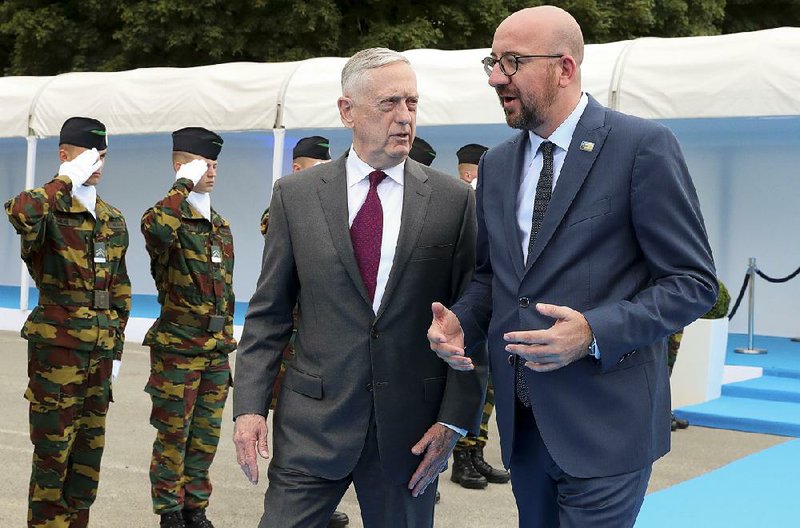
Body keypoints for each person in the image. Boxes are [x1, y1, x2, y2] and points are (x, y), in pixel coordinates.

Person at [428, 6, 718, 527]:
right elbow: (494, 277)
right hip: (526, 429)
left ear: (565, 68)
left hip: (608, 428)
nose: (497, 77)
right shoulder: (497, 164)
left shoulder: (641, 147)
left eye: (513, 62)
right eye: (492, 61)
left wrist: (593, 331)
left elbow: (692, 283)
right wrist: (462, 322)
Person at [232, 47, 485, 528]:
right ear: (347, 110)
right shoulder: (296, 196)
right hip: (313, 425)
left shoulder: (452, 201)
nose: (405, 118)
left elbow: (473, 313)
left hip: (411, 432)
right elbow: (269, 313)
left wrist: (454, 420)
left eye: (411, 104)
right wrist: (249, 407)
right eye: (389, 104)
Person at [5, 117, 131, 527]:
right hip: (57, 356)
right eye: (90, 154)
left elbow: (120, 291)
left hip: (98, 356)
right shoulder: (47, 209)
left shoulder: (112, 219)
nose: (97, 163)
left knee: (86, 463)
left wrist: (117, 350)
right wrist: (64, 180)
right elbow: (20, 214)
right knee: (52, 462)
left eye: (103, 156)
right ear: (65, 155)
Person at [141, 127, 235, 528]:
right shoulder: (165, 218)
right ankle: (169, 512)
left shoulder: (219, 225)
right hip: (178, 349)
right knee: (172, 437)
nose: (212, 171)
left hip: (214, 349)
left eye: (215, 164)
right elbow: (157, 230)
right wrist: (182, 183)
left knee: (204, 438)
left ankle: (196, 508)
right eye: (203, 164)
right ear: (182, 166)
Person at [259, 136, 350, 528]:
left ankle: (320, 500)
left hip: (316, 334)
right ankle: (294, 494)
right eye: (319, 165)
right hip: (291, 343)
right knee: (290, 429)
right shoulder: (284, 204)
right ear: (299, 168)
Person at [448, 142, 511, 491]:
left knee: (485, 387)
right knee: (466, 383)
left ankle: (474, 452)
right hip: (464, 309)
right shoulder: (457, 203)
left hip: (491, 309)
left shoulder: (491, 202)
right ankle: (459, 456)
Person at [260, 135, 333, 236]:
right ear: (297, 170)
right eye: (318, 168)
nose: (326, 174)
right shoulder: (282, 210)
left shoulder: (337, 203)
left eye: (330, 168)